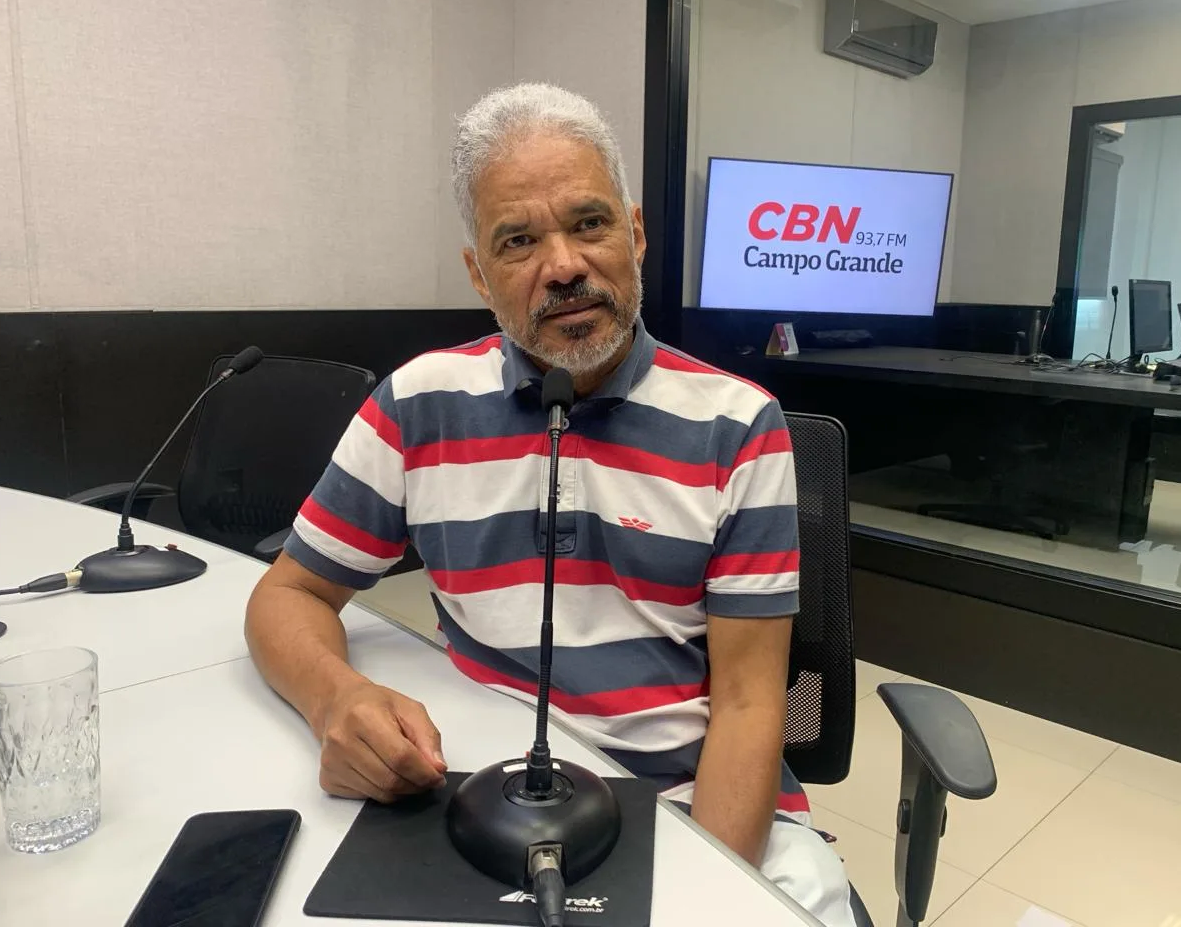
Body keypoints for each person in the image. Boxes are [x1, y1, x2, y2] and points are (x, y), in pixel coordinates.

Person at [245, 82, 855, 927]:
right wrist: (335, 699)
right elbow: (288, 596)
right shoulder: (416, 404)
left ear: (635, 234)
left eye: (590, 223)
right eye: (519, 240)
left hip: (684, 805)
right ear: (480, 275)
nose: (563, 265)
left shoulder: (737, 426)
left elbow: (753, 705)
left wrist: (698, 893)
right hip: (481, 798)